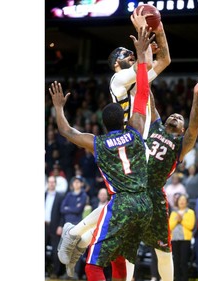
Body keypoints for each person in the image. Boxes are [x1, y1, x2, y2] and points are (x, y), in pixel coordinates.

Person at [61, 73, 198, 281]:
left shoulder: (181, 145)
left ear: (181, 130)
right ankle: (78, 238)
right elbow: (147, 95)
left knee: (163, 251)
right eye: (174, 115)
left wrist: (196, 96)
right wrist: (145, 69)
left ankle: (79, 238)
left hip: (152, 194)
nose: (176, 117)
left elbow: (194, 125)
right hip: (132, 186)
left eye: (180, 119)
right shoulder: (155, 126)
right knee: (123, 240)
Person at [50, 25, 155, 281]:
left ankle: (77, 237)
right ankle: (78, 236)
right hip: (144, 204)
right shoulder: (136, 132)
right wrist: (142, 57)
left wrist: (58, 108)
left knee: (93, 267)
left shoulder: (98, 143)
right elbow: (142, 92)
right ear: (125, 119)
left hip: (120, 203)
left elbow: (67, 132)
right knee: (120, 259)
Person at [108, 6, 171, 139]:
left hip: (140, 142)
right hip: (126, 141)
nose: (131, 53)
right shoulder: (117, 79)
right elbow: (146, 64)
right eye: (125, 53)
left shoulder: (138, 79)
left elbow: (164, 60)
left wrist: (159, 31)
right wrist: (142, 29)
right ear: (116, 63)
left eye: (131, 52)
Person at [169, 194, 195, 281]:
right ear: (177, 202)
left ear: (187, 202)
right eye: (180, 200)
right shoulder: (173, 212)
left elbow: (190, 226)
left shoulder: (190, 212)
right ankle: (177, 278)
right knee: (175, 261)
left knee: (184, 261)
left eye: (183, 200)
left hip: (185, 240)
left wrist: (181, 220)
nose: (182, 201)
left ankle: (184, 279)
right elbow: (170, 226)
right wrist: (177, 220)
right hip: (174, 239)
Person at [45, 176, 65, 279]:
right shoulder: (43, 195)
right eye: (50, 182)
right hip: (44, 225)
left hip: (54, 226)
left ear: (55, 184)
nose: (51, 184)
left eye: (53, 182)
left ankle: (56, 272)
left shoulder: (60, 196)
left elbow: (62, 213)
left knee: (55, 250)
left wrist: (60, 226)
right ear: (47, 183)